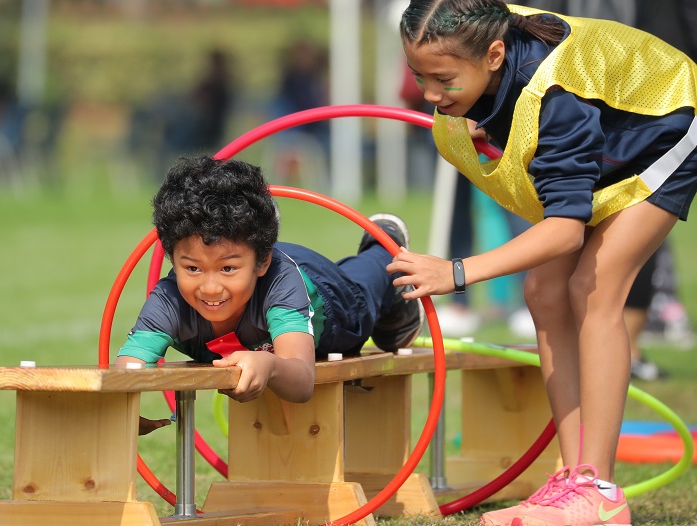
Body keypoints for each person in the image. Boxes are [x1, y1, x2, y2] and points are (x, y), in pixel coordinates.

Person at [394, 2, 697, 525]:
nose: (429, 96)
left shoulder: (555, 99)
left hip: (665, 126)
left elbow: (563, 230)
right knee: (543, 293)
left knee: (593, 292)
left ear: (493, 55)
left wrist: (457, 272)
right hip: (608, 135)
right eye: (418, 77)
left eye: (443, 79)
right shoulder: (473, 29)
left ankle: (598, 491)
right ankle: (573, 473)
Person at [115, 155, 424, 435]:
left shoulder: (280, 284)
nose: (210, 288)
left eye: (227, 269)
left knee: (367, 285)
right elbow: (129, 366)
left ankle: (384, 247)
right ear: (172, 260)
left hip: (329, 302)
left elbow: (302, 381)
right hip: (266, 272)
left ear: (261, 261)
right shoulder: (168, 301)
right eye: (193, 269)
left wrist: (270, 365)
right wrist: (124, 408)